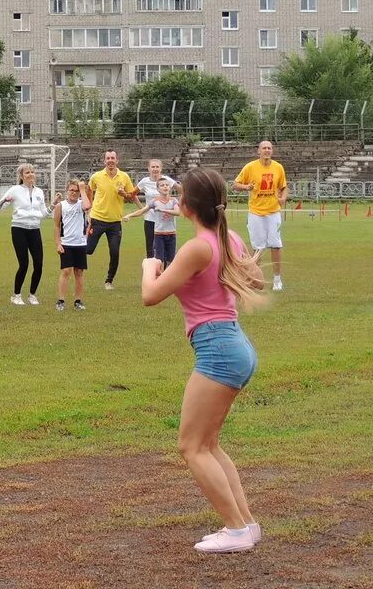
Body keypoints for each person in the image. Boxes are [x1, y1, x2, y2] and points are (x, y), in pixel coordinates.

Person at [141, 167, 265, 553]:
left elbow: (151, 295)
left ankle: (236, 530)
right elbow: (256, 280)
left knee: (191, 445)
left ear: (185, 205)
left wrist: (149, 268)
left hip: (218, 350)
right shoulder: (230, 238)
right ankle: (245, 524)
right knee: (208, 443)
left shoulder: (197, 247)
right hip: (234, 344)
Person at [232, 140, 288, 291]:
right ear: (258, 151)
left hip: (273, 212)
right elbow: (235, 185)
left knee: (276, 245)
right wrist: (246, 187)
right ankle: (257, 279)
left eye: (269, 148)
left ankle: (277, 279)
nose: (267, 150)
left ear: (272, 151)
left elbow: (284, 187)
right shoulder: (250, 167)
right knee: (258, 247)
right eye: (264, 148)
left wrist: (283, 197)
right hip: (256, 212)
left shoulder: (278, 167)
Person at [0, 163, 49, 305]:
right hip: (19, 229)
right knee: (24, 263)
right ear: (21, 176)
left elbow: (43, 214)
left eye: (32, 172)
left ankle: (32, 295)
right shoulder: (15, 190)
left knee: (38, 263)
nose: (30, 175)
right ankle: (16, 295)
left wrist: (53, 205)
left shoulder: (39, 192)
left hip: (35, 229)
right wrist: (4, 201)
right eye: (27, 173)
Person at [83, 150, 138, 290]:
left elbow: (131, 196)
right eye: (108, 158)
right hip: (97, 219)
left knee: (114, 252)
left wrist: (123, 193)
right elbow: (89, 190)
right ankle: (75, 267)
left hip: (115, 222)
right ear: (104, 161)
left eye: (113, 158)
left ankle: (109, 281)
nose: (110, 160)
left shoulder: (124, 176)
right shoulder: (97, 176)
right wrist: (89, 209)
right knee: (88, 250)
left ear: (117, 160)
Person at [125, 176, 180, 265]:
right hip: (159, 235)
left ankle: (168, 278)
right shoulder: (154, 202)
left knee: (171, 261)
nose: (165, 187)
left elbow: (177, 212)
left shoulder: (173, 201)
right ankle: (158, 278)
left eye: (167, 185)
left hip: (171, 234)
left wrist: (163, 210)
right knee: (159, 261)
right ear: (157, 189)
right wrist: (129, 215)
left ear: (170, 187)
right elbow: (141, 211)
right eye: (162, 185)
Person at [54, 178, 90, 311]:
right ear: (67, 191)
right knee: (66, 271)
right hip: (67, 243)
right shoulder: (61, 206)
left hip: (80, 243)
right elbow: (57, 226)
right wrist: (58, 243)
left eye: (76, 191)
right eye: (71, 190)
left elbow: (87, 207)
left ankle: (78, 300)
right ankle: (61, 300)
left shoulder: (81, 203)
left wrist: (82, 190)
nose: (74, 193)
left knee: (79, 272)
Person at [136, 160, 178, 260]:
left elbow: (181, 189)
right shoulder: (144, 181)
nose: (155, 169)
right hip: (150, 219)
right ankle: (152, 274)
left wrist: (177, 205)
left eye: (157, 167)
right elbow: (132, 194)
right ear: (149, 168)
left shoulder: (166, 180)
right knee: (151, 249)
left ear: (161, 168)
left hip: (165, 221)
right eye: (153, 167)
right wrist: (142, 209)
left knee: (166, 251)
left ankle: (165, 274)